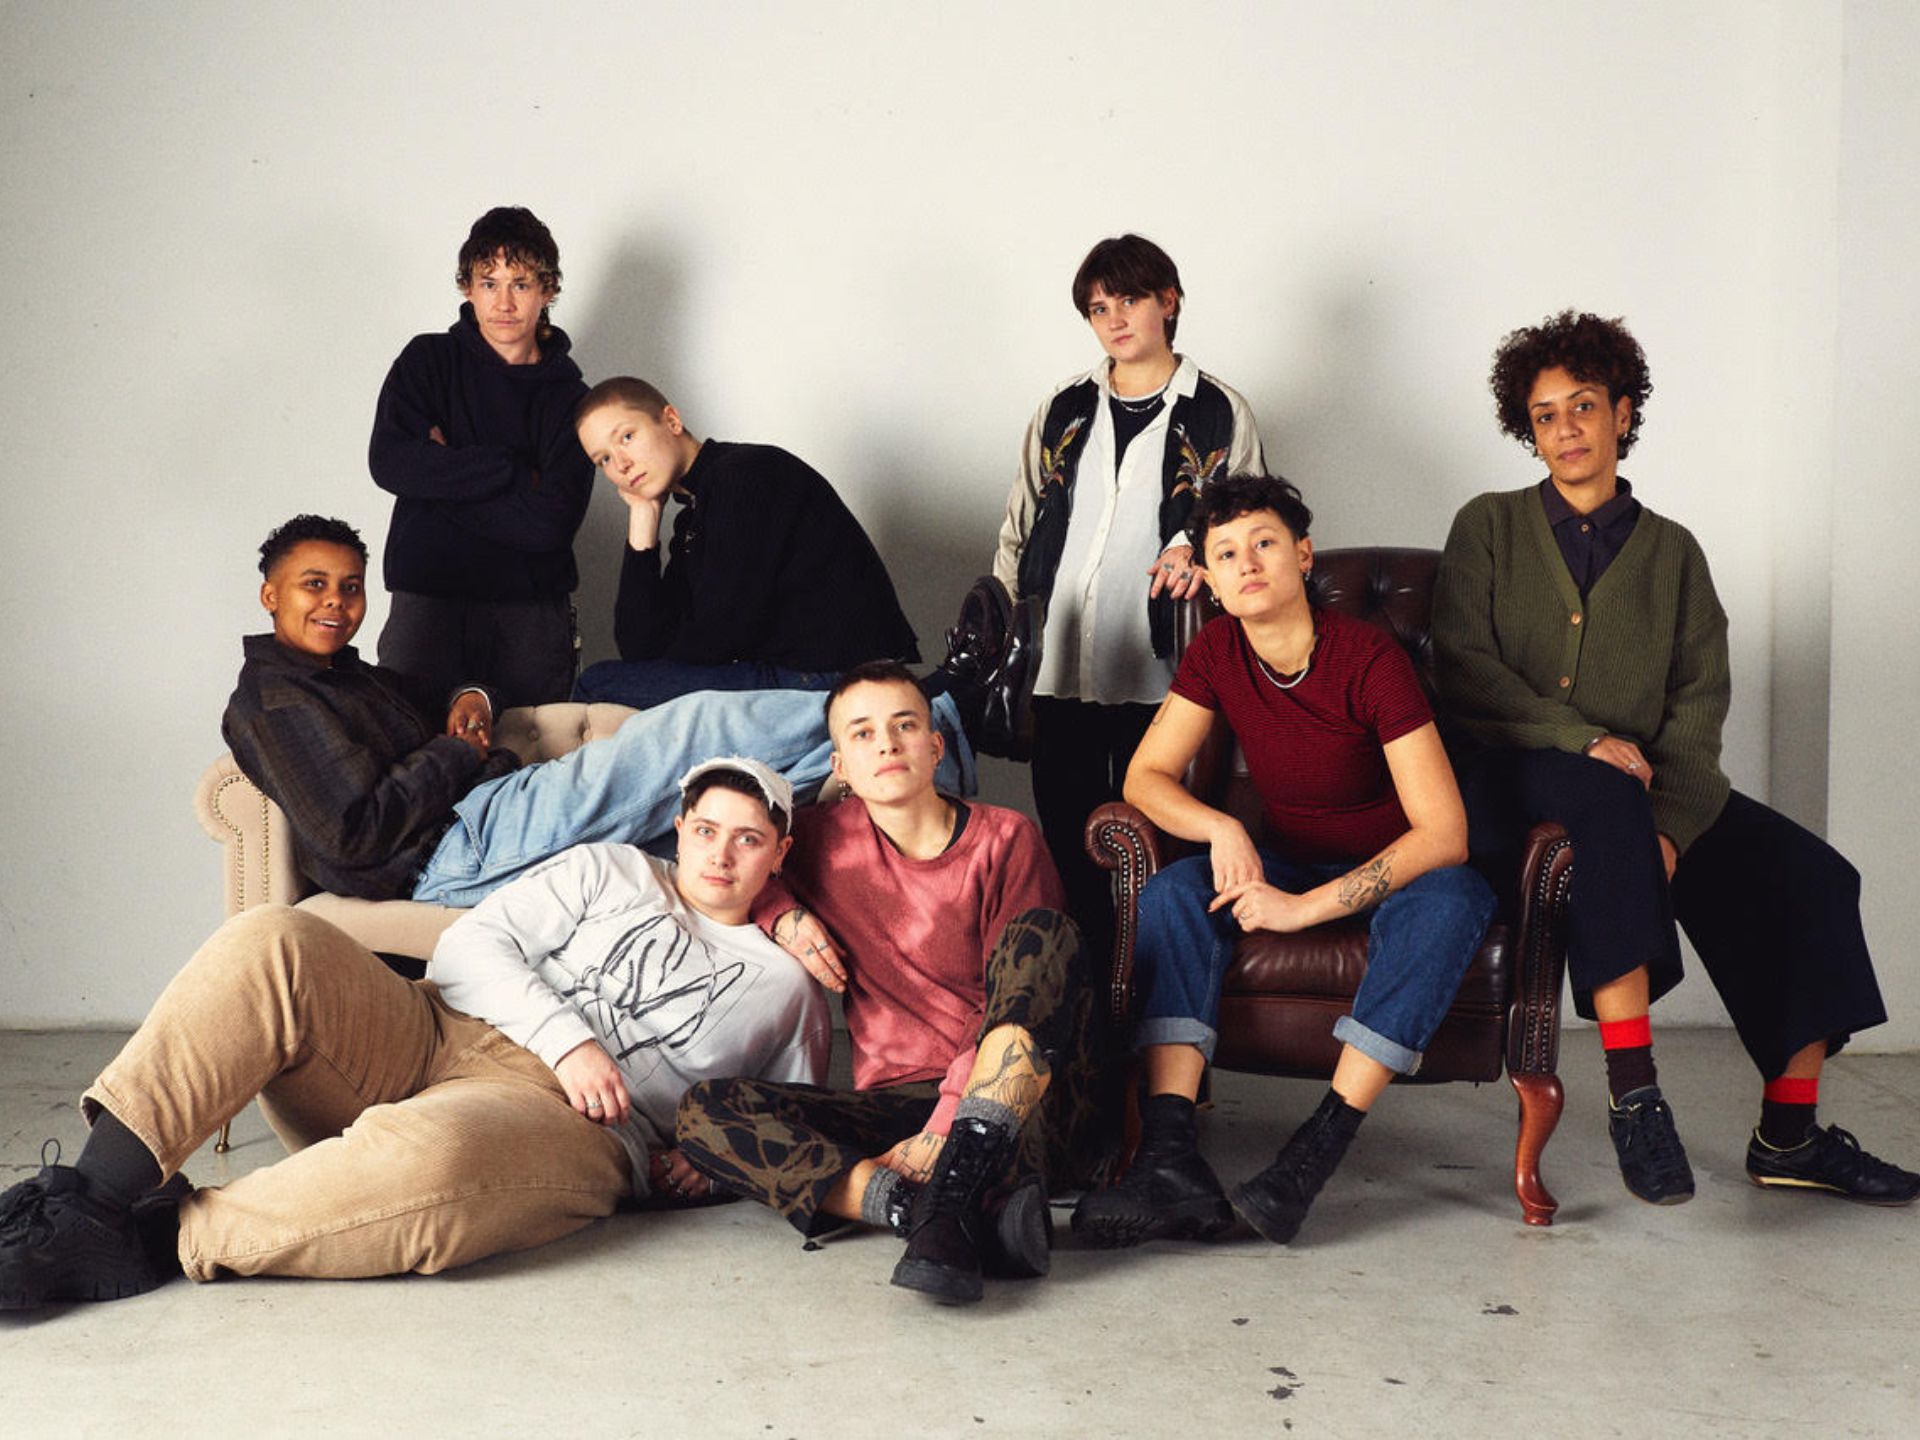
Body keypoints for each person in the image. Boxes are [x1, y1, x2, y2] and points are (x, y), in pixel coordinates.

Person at [0, 759, 829, 1308]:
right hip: (432, 1026)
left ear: (780, 852)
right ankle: (85, 1202)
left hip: (565, 1121)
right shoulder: (610, 868)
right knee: (271, 937)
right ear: (681, 827)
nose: (720, 855)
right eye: (706, 829)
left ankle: (156, 1238)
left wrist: (716, 1164)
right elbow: (467, 948)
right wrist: (569, 1039)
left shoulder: (787, 986)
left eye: (748, 839)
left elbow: (791, 1115)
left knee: (441, 1158)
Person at [1432, 309, 1917, 1207]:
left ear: (1623, 413)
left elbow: (1699, 705)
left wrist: (1673, 831)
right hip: (1513, 771)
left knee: (1814, 879)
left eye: (1584, 406)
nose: (1566, 429)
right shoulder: (1489, 526)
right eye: (1545, 415)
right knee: (1607, 792)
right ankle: (1637, 1096)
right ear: (1527, 431)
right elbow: (1464, 668)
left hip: (1642, 787)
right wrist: (1580, 737)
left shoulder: (1675, 554)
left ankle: (1791, 1136)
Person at [1070, 474, 1495, 1248]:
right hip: (1289, 856)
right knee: (1175, 893)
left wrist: (1304, 910)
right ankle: (1168, 1157)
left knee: (1456, 898)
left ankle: (1311, 1156)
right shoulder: (1218, 649)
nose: (1247, 563)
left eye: (1264, 543)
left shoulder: (1369, 659)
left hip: (1399, 869)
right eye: (1226, 553)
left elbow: (1443, 833)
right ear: (1210, 578)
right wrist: (1222, 831)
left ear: (1303, 556)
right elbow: (1144, 778)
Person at [224, 516, 987, 909]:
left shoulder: (344, 675)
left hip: (480, 822)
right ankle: (938, 705)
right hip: (454, 851)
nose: (335, 603)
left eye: (350, 586)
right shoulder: (274, 698)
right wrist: (459, 755)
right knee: (689, 729)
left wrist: (469, 702)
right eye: (314, 585)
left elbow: (439, 704)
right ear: (270, 594)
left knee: (732, 806)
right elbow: (352, 830)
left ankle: (942, 740)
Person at [675, 661, 1108, 1305]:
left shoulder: (1005, 839)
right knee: (705, 1111)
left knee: (1042, 934)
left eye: (904, 726)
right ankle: (918, 1208)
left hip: (1022, 1098)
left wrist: (949, 1125)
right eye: (863, 733)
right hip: (900, 1104)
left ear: (935, 747)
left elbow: (1018, 996)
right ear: (840, 767)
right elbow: (747, 863)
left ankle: (960, 1186)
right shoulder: (818, 839)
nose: (886, 744)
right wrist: (784, 914)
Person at [993, 233, 1265, 961]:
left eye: (1130, 299)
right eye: (1098, 308)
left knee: (1164, 853)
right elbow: (1020, 525)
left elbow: (1253, 529)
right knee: (1071, 848)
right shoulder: (1063, 407)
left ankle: (1155, 998)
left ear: (1168, 302)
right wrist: (1009, 636)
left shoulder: (1217, 410)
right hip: (1061, 665)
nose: (1114, 319)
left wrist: (1197, 549)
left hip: (1164, 674)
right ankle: (1088, 1003)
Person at [570, 376, 920, 709]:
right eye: (603, 459)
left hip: (839, 679)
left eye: (627, 437)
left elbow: (718, 637)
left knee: (597, 685)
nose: (621, 464)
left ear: (672, 420)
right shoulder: (696, 512)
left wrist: (666, 659)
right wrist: (642, 520)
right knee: (610, 681)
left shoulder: (745, 476)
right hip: (799, 673)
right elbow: (640, 649)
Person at [368, 205, 595, 708]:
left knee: (535, 748)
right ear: (467, 288)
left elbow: (550, 525)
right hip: (427, 601)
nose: (504, 303)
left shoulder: (572, 400)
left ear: (548, 290)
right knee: (409, 737)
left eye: (520, 284)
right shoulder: (427, 361)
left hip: (529, 614)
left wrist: (440, 476)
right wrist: (511, 471)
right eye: (489, 283)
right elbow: (390, 462)